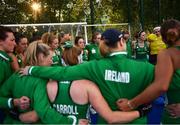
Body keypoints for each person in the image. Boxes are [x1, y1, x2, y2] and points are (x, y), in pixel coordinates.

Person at [20, 29, 154, 124]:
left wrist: (32, 69)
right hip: (136, 120)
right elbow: (163, 85)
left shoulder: (94, 66)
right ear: (121, 42)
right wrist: (137, 106)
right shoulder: (146, 68)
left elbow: (62, 73)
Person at [116, 19, 180, 124]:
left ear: (162, 38)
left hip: (174, 114)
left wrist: (131, 104)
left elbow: (160, 86)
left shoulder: (167, 54)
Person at [0, 41, 74, 124]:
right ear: (42, 57)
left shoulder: (16, 75)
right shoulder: (41, 79)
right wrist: (70, 122)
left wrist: (13, 102)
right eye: (50, 58)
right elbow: (42, 110)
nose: (51, 62)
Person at [0, 26, 16, 123]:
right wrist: (12, 102)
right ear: (1, 41)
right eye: (12, 40)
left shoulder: (5, 60)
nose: (15, 43)